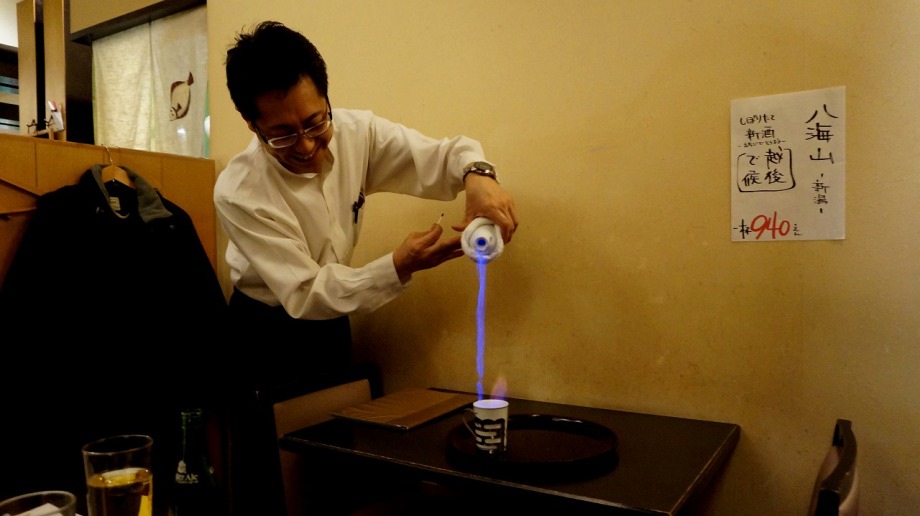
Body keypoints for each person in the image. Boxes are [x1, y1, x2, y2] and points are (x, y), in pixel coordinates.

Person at [214, 20, 519, 514]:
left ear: (327, 99)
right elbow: (306, 292)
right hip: (264, 333)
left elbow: (440, 157)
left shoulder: (358, 134)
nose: (307, 145)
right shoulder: (239, 191)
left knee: (335, 474)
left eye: (316, 122)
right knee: (273, 484)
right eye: (282, 135)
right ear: (252, 124)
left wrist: (478, 177)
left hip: (333, 322)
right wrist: (398, 266)